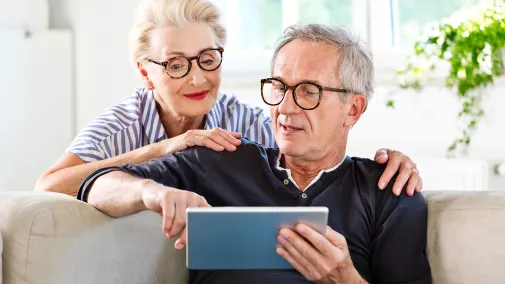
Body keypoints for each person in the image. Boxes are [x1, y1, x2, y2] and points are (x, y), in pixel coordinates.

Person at [77, 24, 431, 284]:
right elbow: (95, 185)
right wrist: (149, 191)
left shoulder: (389, 193)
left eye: (308, 91)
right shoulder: (221, 158)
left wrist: (344, 278)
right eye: (278, 87)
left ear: (353, 109)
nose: (285, 107)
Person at [34, 0, 422, 197]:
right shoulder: (122, 124)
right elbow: (47, 187)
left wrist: (388, 168)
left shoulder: (248, 124)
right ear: (145, 72)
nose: (198, 77)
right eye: (175, 65)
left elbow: (316, 154)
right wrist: (164, 148)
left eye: (207, 59)